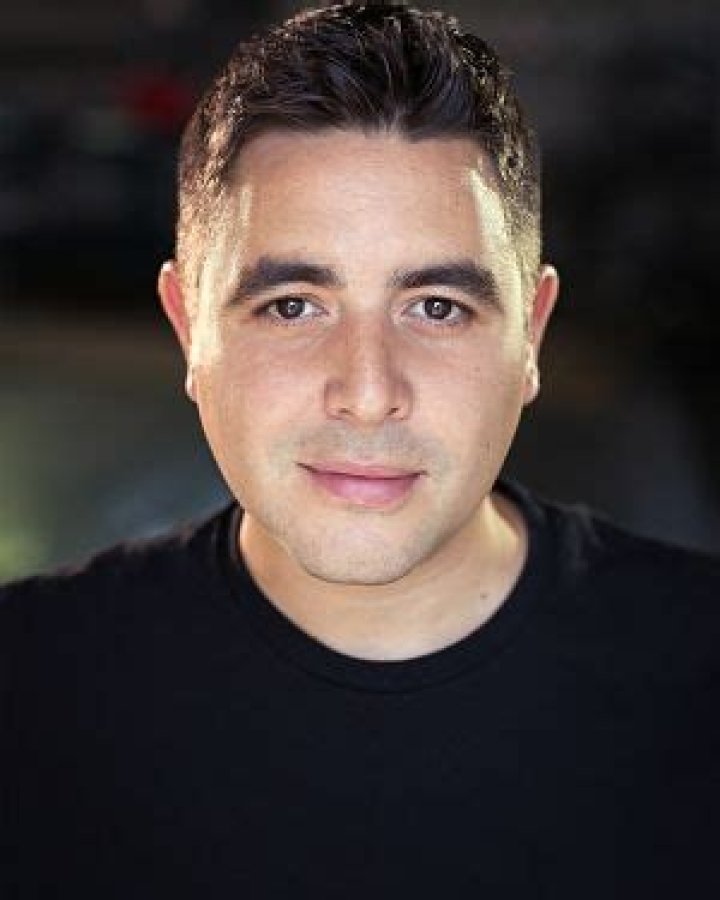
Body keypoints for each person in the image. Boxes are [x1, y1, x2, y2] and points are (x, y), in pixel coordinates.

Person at [2, 3, 719, 897]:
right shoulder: (26, 688)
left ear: (531, 335)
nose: (370, 391)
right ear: (188, 328)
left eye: (437, 308)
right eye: (292, 306)